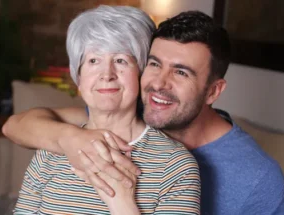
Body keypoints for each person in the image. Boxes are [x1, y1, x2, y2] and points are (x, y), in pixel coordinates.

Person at [4, 9, 284, 215]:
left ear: (213, 91)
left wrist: (121, 199)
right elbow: (16, 125)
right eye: (154, 64)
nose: (159, 84)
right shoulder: (117, 113)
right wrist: (67, 139)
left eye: (181, 72)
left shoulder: (256, 177)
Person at [13, 5, 201, 215]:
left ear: (141, 74)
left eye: (121, 60)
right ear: (79, 78)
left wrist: (122, 203)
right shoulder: (50, 153)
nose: (107, 74)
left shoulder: (175, 166)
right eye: (93, 61)